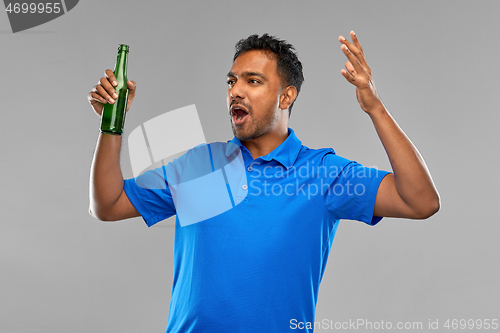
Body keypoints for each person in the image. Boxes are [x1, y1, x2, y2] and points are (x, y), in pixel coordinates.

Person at [88, 32, 440, 332]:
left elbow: (420, 201)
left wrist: (375, 108)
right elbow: (108, 204)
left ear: (286, 96)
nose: (235, 92)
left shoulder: (324, 174)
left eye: (252, 81)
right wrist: (111, 125)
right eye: (231, 81)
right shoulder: (200, 164)